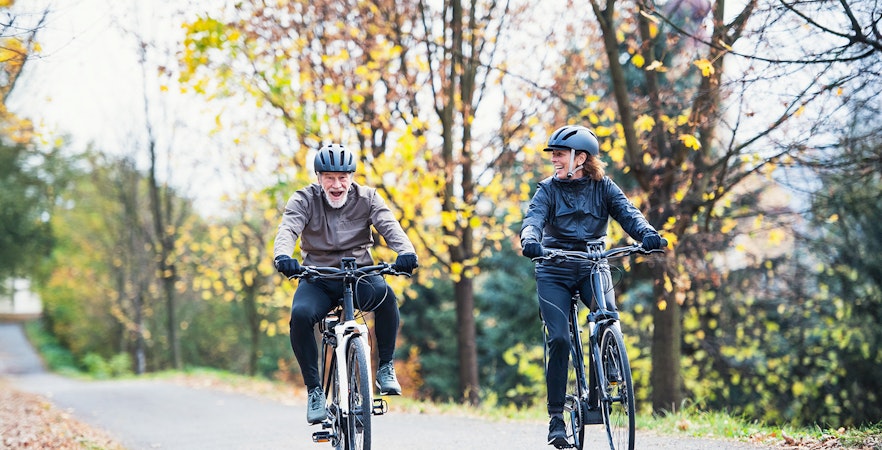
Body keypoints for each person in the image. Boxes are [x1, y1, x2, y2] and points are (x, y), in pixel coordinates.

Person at [519, 125, 664, 447]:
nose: (554, 160)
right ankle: (557, 418)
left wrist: (647, 234)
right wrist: (530, 239)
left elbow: (629, 214)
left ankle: (610, 361)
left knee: (607, 314)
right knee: (558, 338)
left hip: (592, 265)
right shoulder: (547, 190)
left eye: (559, 154)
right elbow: (533, 219)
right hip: (554, 269)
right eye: (554, 154)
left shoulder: (604, 188)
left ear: (580, 157)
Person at [273, 143, 419, 425]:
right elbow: (288, 227)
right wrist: (282, 256)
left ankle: (385, 367)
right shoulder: (304, 199)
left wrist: (407, 252)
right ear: (318, 178)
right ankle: (315, 391)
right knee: (300, 316)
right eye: (329, 177)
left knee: (386, 297)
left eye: (343, 177)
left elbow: (389, 225)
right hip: (318, 277)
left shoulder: (368, 197)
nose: (336, 184)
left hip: (359, 274)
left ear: (352, 177)